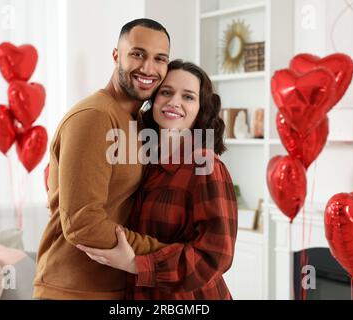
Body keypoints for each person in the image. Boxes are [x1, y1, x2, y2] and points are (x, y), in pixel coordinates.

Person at [33, 19, 171, 300]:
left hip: (118, 287)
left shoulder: (139, 122)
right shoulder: (94, 117)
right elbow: (84, 222)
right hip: (72, 289)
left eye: (160, 59)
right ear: (116, 55)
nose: (148, 68)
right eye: (137, 54)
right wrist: (163, 254)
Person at [78, 60, 238, 300]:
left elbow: (215, 256)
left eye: (188, 97)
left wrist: (137, 265)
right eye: (166, 92)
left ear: (201, 109)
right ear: (153, 100)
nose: (175, 102)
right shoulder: (140, 160)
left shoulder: (206, 167)